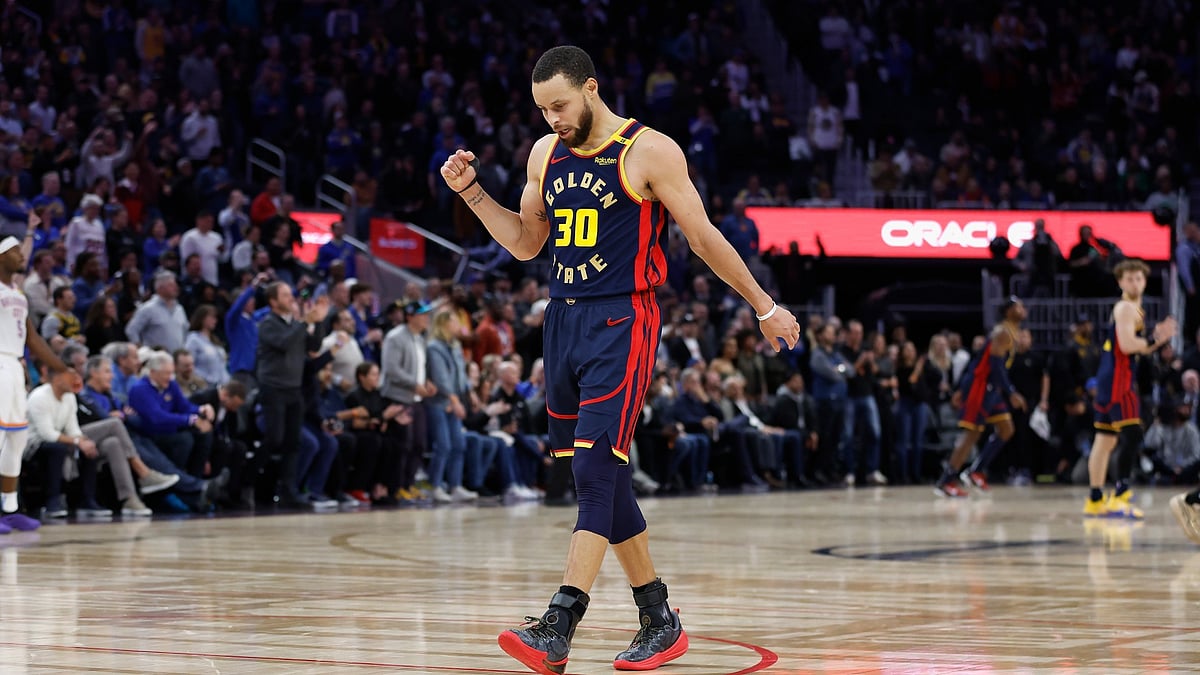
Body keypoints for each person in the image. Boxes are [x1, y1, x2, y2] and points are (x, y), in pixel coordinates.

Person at [440, 46, 799, 674]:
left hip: (623, 318)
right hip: (563, 319)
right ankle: (658, 617)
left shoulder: (648, 150)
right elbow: (526, 244)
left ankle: (559, 622)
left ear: (591, 89)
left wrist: (765, 307)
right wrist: (471, 194)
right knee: (605, 479)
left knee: (595, 472)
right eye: (542, 109)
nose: (551, 118)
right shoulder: (544, 154)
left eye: (559, 104)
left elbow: (704, 237)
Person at [0, 234, 80, 532]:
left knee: (16, 439)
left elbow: (33, 340)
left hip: (13, 365)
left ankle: (9, 509)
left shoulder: (19, 295)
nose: (22, 255)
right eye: (14, 251)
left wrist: (63, 368)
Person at [1085, 259, 1176, 518]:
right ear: (1120, 281)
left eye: (1139, 278)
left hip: (1110, 376)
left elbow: (1142, 347)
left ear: (1145, 281)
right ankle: (1120, 493)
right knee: (1133, 435)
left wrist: (1159, 339)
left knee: (1104, 440)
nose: (1135, 282)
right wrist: (1155, 336)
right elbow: (1127, 346)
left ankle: (1095, 498)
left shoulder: (1135, 308)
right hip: (1118, 378)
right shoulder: (1126, 308)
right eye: (1129, 278)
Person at [935, 297, 1028, 497]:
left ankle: (975, 470)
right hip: (982, 385)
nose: (1023, 309)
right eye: (1018, 306)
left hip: (990, 387)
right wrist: (1011, 392)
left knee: (1006, 428)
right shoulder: (1003, 331)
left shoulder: (1011, 331)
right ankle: (946, 480)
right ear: (1008, 311)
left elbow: (981, 359)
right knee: (971, 434)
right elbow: (994, 365)